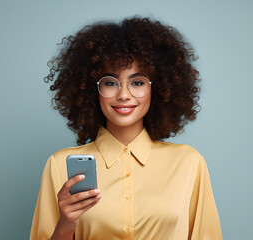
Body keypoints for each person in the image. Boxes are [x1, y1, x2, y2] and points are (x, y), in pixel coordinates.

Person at [30, 17, 222, 240]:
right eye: (110, 82)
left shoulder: (189, 163)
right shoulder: (59, 166)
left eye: (137, 82)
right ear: (93, 89)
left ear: (157, 88)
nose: (123, 94)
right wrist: (66, 224)